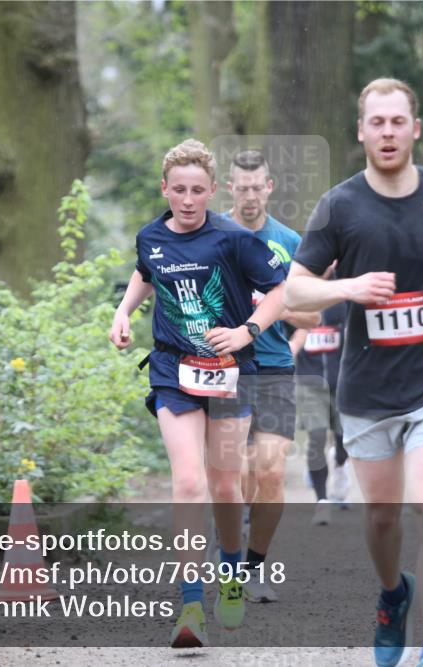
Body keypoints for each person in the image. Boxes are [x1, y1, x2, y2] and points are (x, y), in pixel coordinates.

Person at [286, 78, 423, 667]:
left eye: (397, 121)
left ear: (415, 128)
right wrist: (347, 286)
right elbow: (295, 286)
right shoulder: (340, 204)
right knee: (382, 518)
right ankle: (391, 596)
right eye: (375, 122)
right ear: (361, 130)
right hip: (368, 387)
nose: (386, 132)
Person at [109, 139, 288, 648]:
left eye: (197, 191)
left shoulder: (233, 238)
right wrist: (123, 312)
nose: (188, 200)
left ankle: (230, 574)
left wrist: (246, 331)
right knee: (188, 483)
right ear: (165, 189)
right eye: (178, 190)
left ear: (213, 191)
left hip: (230, 369)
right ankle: (191, 604)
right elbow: (146, 274)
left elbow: (279, 291)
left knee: (226, 485)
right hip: (173, 368)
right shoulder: (151, 236)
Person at [224, 149, 320, 603]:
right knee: (237, 473)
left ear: (269, 187)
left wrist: (278, 303)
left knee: (272, 473)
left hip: (275, 370)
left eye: (255, 187)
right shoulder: (213, 236)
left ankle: (252, 568)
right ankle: (229, 543)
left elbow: (313, 315)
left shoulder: (289, 241)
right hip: (224, 369)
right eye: (240, 188)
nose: (248, 196)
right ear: (230, 189)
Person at [297, 300, 351, 525]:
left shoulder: (343, 293)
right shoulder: (297, 290)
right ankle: (322, 500)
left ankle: (339, 466)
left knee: (344, 440)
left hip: (343, 381)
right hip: (309, 381)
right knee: (316, 436)